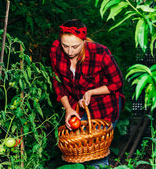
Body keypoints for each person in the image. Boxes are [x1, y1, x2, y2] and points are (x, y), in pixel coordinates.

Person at [50, 19, 125, 169]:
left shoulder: (99, 53)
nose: (70, 52)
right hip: (78, 106)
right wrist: (68, 109)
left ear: (84, 41)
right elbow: (57, 82)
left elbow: (117, 83)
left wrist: (91, 92)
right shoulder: (56, 50)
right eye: (65, 45)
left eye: (75, 46)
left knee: (97, 152)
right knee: (77, 151)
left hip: (105, 106)